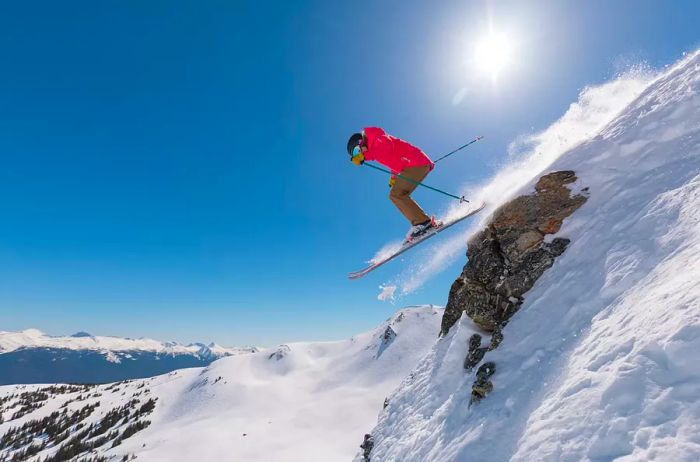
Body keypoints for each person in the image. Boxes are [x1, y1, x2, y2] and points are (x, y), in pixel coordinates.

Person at [347, 127, 440, 241]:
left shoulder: (375, 136)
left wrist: (365, 156)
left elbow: (386, 146)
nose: (359, 154)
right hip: (414, 164)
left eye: (357, 151)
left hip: (416, 163)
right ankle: (422, 222)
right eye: (356, 154)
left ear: (360, 142)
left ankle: (423, 223)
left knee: (396, 195)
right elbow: (394, 163)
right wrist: (393, 178)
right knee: (396, 194)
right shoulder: (374, 149)